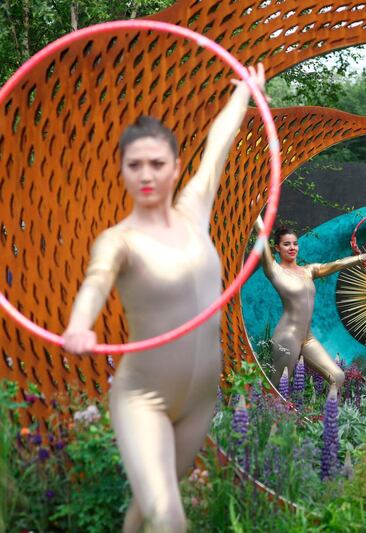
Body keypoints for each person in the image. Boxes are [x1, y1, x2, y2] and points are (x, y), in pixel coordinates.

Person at [61, 64, 268, 532]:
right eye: (135, 165)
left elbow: (218, 147)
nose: (147, 175)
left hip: (198, 397)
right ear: (122, 171)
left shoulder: (195, 210)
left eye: (157, 163)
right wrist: (79, 325)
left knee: (150, 509)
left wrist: (245, 94)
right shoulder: (120, 240)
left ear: (175, 166)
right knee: (170, 519)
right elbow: (95, 283)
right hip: (144, 397)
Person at [255, 218, 366, 388]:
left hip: (307, 338)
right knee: (279, 387)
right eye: (286, 244)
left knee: (337, 377)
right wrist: (257, 218)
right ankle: (264, 413)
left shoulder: (308, 271)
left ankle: (328, 415)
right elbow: (262, 239)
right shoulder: (274, 271)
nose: (292, 247)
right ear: (277, 248)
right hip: (287, 336)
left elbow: (337, 264)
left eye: (295, 243)